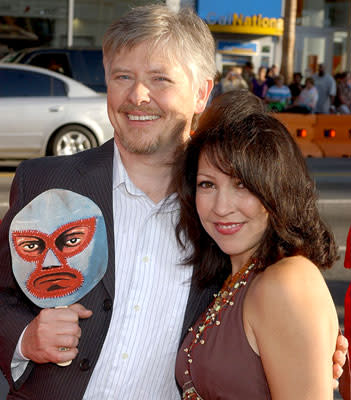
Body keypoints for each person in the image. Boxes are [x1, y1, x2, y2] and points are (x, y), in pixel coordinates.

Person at [0, 6, 347, 400]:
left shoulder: (221, 215)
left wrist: (306, 346)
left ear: (202, 92)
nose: (137, 96)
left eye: (159, 79)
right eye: (122, 77)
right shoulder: (46, 183)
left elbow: (261, 312)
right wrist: (26, 337)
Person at [174, 90, 340, 399]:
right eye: (207, 184)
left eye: (242, 185)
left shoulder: (284, 282)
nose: (222, 207)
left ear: (276, 190)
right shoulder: (235, 277)